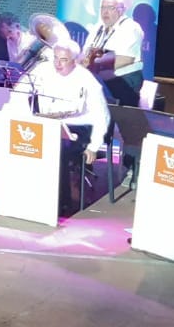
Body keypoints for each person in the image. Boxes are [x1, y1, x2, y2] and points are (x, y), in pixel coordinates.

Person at [20, 42, 110, 215]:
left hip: (79, 127)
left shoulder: (86, 80)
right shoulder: (43, 70)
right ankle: (30, 194)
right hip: (47, 122)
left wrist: (93, 146)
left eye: (63, 60)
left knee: (56, 148)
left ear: (74, 61)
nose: (57, 64)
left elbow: (102, 116)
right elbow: (20, 90)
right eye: (55, 58)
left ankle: (61, 203)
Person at [80, 0, 146, 106]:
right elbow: (86, 52)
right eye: (103, 8)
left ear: (121, 11)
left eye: (110, 8)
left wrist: (93, 65)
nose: (105, 12)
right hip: (100, 78)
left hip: (124, 82)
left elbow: (125, 59)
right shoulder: (97, 27)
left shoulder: (131, 28)